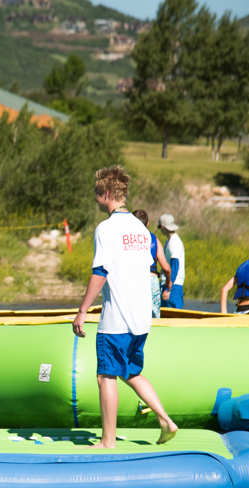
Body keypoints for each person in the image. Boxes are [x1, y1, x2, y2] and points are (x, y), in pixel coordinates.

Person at [72, 166, 178, 449]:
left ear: (107, 193)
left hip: (116, 317)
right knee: (131, 372)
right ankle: (166, 419)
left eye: (97, 194)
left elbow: (100, 272)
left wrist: (82, 310)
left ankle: (108, 440)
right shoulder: (141, 230)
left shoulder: (106, 229)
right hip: (142, 317)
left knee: (105, 375)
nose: (96, 199)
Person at [133, 210, 171, 318]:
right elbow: (166, 268)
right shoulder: (154, 240)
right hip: (151, 280)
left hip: (133, 279)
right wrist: (168, 283)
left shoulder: (127, 240)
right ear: (148, 223)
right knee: (153, 316)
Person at [157, 213, 184, 309]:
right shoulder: (169, 241)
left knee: (174, 317)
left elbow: (175, 265)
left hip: (174, 285)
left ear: (164, 227)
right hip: (168, 283)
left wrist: (169, 288)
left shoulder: (174, 242)